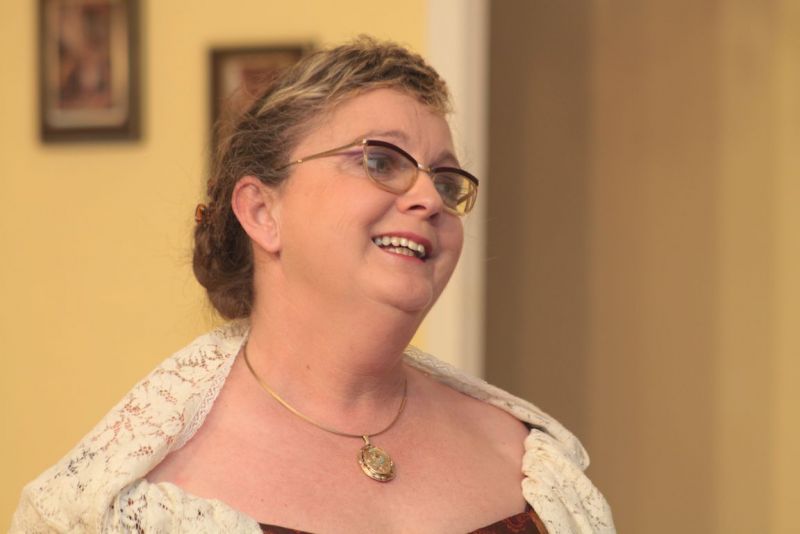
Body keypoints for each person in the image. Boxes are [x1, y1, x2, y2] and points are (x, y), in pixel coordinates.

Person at [11, 37, 614, 533]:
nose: (430, 198)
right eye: (381, 161)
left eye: (446, 179)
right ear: (262, 212)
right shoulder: (136, 500)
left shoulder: (527, 462)